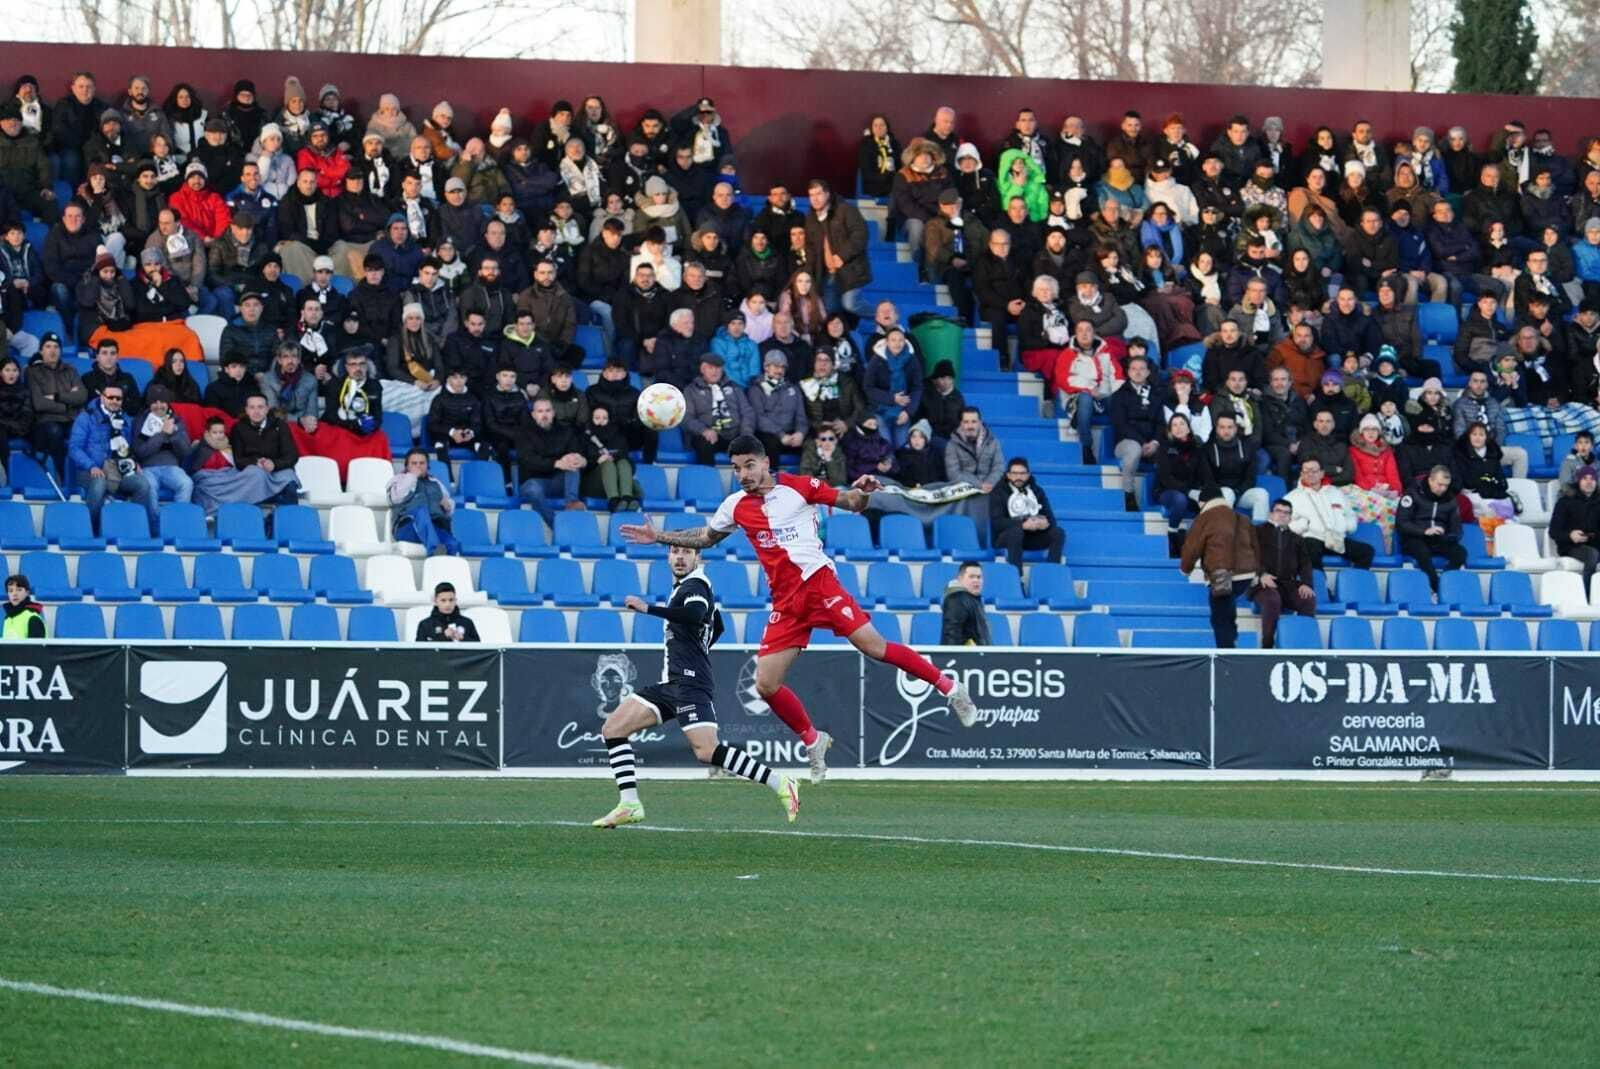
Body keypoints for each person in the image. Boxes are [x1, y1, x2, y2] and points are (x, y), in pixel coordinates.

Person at [619, 436, 978, 784]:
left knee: (874, 647)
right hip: (786, 604)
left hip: (820, 586)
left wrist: (865, 491)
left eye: (749, 465)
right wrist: (659, 537)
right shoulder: (735, 506)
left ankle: (949, 687)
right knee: (766, 683)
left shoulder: (799, 486)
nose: (743, 473)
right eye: (736, 468)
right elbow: (705, 538)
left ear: (765, 463)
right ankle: (812, 739)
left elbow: (851, 501)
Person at [594, 542, 802, 828]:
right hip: (672, 682)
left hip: (690, 683)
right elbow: (717, 625)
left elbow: (694, 614)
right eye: (674, 552)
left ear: (697, 557)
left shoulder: (695, 585)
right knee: (613, 729)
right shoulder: (687, 586)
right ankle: (629, 804)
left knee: (706, 751)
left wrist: (648, 608)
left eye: (686, 552)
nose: (680, 557)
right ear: (668, 557)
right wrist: (698, 647)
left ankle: (781, 782)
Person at [68, 382, 157, 532]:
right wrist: (91, 466)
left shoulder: (125, 420)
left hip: (118, 471)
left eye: (119, 398)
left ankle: (136, 527)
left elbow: (126, 448)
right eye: (111, 397)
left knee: (143, 484)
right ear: (102, 397)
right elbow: (74, 448)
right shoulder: (86, 417)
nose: (115, 401)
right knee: (99, 482)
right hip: (90, 471)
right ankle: (92, 530)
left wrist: (133, 463)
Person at [1180, 485, 1259, 649]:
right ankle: (1233, 638)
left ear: (1203, 502)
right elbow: (1256, 545)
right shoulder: (1241, 517)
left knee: (1219, 617)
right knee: (1227, 607)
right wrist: (1257, 572)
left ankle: (1227, 654)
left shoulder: (1205, 518)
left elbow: (1192, 547)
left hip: (1221, 573)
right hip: (1246, 574)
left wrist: (1185, 568)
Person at [1287, 457, 1374, 569]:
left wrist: (1347, 525)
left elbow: (1349, 514)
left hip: (1336, 539)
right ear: (1301, 474)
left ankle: (1349, 583)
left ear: (1322, 473)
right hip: (1312, 538)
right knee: (1309, 548)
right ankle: (1320, 585)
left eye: (1314, 471)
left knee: (1367, 552)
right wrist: (1302, 525)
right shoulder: (1292, 497)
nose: (1310, 474)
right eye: (1306, 471)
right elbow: (1284, 523)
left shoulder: (1336, 492)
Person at [1252, 499, 1316, 649]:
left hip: (1288, 584)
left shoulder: (1297, 539)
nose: (1282, 515)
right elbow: (1247, 556)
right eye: (1278, 511)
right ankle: (1267, 645)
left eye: (1286, 513)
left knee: (1308, 599)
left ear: (1290, 517)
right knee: (1272, 599)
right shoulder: (1256, 532)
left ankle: (1301, 645)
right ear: (1271, 513)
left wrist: (1307, 583)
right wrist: (1261, 574)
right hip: (1262, 584)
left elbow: (1305, 564)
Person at [1395, 464, 1465, 594]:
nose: (1443, 489)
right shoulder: (1413, 493)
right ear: (1430, 480)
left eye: (1446, 485)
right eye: (1440, 484)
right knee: (1422, 552)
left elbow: (1457, 528)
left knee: (1460, 553)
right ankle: (1436, 587)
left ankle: (1445, 581)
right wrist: (1424, 531)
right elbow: (1402, 523)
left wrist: (1449, 537)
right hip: (1415, 538)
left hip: (1438, 539)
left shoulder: (1450, 499)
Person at [804, 179, 871, 313]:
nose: (815, 199)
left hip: (850, 270)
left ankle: (883, 316)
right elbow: (810, 249)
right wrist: (811, 276)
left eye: (818, 194)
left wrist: (842, 256)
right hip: (828, 275)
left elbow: (860, 234)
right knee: (831, 313)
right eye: (811, 195)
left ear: (827, 194)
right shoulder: (810, 219)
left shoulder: (845, 210)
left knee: (850, 304)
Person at [516, 395, 586, 524]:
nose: (544, 415)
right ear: (533, 415)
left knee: (573, 463)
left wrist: (579, 459)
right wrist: (556, 463)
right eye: (540, 411)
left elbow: (577, 451)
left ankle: (571, 504)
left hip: (558, 482)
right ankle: (556, 525)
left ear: (553, 413)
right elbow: (528, 460)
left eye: (548, 411)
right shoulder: (524, 433)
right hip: (533, 481)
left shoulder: (565, 430)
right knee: (533, 489)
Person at [990, 457, 1064, 569]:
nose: (1018, 477)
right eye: (1014, 473)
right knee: (1015, 532)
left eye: (1022, 473)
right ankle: (1016, 579)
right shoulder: (998, 492)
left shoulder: (1037, 491)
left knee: (1058, 533)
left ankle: (1051, 574)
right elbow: (997, 523)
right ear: (1008, 475)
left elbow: (1051, 519)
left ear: (1028, 475)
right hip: (1005, 538)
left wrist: (1043, 523)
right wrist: (1022, 525)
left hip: (1031, 537)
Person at [1110, 353, 1161, 511]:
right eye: (1134, 369)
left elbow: (1161, 423)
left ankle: (1161, 495)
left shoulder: (1157, 394)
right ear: (1128, 372)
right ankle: (1129, 494)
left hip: (1151, 442)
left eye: (1141, 369)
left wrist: (1154, 442)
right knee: (1134, 449)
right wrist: (1142, 442)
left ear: (1148, 372)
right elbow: (1121, 425)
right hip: (1126, 442)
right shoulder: (1119, 395)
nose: (1138, 372)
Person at [683, 353, 753, 466]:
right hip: (708, 434)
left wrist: (745, 433)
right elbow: (687, 418)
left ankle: (748, 482)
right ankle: (709, 481)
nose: (715, 371)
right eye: (711, 368)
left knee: (752, 445)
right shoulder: (691, 390)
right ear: (702, 369)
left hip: (734, 434)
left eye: (718, 368)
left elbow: (747, 412)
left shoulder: (734, 387)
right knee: (703, 444)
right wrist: (703, 430)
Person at [132, 384, 194, 504]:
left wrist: (174, 433)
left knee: (187, 484)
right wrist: (162, 434)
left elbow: (186, 452)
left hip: (171, 467)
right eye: (154, 402)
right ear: (149, 404)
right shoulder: (141, 421)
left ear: (168, 403)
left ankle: (176, 520)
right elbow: (140, 451)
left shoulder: (177, 420)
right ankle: (154, 523)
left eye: (163, 402)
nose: (159, 406)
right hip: (148, 468)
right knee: (149, 488)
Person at [389, 448, 459, 555]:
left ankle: (446, 567)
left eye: (422, 463)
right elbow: (395, 498)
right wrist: (412, 477)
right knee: (421, 511)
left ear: (427, 466)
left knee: (452, 544)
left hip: (433, 527)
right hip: (407, 527)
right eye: (414, 463)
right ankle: (435, 550)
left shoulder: (435, 482)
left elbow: (449, 505)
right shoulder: (398, 479)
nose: (418, 466)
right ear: (407, 466)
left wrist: (448, 505)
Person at [1551, 465, 1600, 589]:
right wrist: (1570, 536)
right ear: (1578, 481)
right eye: (1585, 478)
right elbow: (1554, 531)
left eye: (1592, 479)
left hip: (1596, 543)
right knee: (1592, 554)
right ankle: (1587, 595)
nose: (1589, 482)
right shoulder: (1565, 502)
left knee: (1594, 551)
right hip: (1571, 546)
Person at [944, 406, 1004, 493]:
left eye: (974, 422)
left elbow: (999, 467)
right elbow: (953, 474)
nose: (970, 426)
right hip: (964, 491)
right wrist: (979, 485)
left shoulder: (993, 442)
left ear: (980, 422)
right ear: (961, 423)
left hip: (990, 488)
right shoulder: (952, 445)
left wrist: (989, 483)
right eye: (966, 422)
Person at [940, 561, 990, 646]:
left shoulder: (973, 599)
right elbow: (951, 634)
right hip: (966, 657)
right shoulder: (957, 599)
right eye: (971, 577)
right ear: (960, 579)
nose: (976, 580)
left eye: (979, 577)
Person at [416, 582, 480, 643]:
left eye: (451, 600)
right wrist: (443, 637)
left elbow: (479, 648)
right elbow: (419, 650)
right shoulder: (425, 624)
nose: (448, 604)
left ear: (455, 600)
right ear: (435, 601)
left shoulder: (467, 622)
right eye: (443, 600)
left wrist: (463, 638)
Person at [2, 573, 45, 639]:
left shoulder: (33, 618)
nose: (14, 594)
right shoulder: (7, 619)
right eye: (10, 591)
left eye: (19, 590)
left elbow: (36, 649)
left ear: (27, 593)